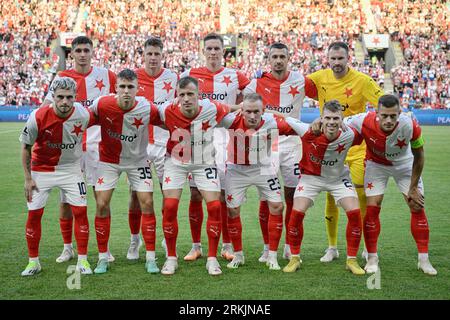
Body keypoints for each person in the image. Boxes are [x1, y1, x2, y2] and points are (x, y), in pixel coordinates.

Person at [307, 41, 384, 263]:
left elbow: (384, 103)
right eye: (333, 59)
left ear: (348, 58)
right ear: (327, 59)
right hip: (332, 150)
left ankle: (362, 247)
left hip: (358, 148)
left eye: (341, 58)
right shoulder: (319, 78)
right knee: (332, 196)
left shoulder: (363, 81)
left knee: (360, 196)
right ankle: (332, 247)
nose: (337, 63)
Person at [42, 36, 117, 264]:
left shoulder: (107, 76)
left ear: (92, 52)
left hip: (98, 147)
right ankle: (68, 248)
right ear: (71, 54)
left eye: (86, 49)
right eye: (78, 50)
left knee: (101, 200)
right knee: (66, 201)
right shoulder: (62, 77)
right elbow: (46, 107)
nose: (82, 54)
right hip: (70, 149)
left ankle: (104, 250)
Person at [344, 94, 437, 275]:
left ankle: (424, 260)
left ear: (399, 113)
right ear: (376, 112)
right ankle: (372, 258)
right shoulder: (362, 120)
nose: (388, 120)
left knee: (416, 205)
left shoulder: (410, 124)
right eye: (384, 115)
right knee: (372, 206)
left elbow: (419, 156)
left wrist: (413, 187)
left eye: (393, 116)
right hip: (376, 166)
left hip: (405, 165)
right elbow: (337, 123)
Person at [156, 76, 241, 276]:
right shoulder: (167, 110)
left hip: (204, 162)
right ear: (176, 96)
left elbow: (233, 108)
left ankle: (211, 259)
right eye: (182, 94)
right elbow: (146, 115)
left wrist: (245, 106)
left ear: (198, 95)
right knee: (169, 206)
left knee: (213, 205)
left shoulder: (212, 108)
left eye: (190, 94)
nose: (186, 98)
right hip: (176, 162)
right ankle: (171, 258)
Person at [244, 42, 317, 262]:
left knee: (293, 195)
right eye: (274, 56)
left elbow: (326, 92)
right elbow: (242, 105)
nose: (278, 60)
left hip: (293, 144)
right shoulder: (256, 82)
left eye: (282, 56)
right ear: (268, 58)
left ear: (288, 58)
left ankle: (290, 245)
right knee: (267, 198)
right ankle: (268, 247)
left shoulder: (301, 81)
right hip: (267, 144)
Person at [180, 33, 250, 262]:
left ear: (223, 51)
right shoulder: (190, 75)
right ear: (203, 51)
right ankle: (196, 245)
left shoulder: (236, 76)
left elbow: (249, 103)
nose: (212, 52)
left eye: (216, 48)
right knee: (195, 193)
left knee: (222, 194)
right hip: (197, 138)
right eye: (208, 48)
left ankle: (227, 244)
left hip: (225, 139)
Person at [89, 69, 163, 274]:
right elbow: (84, 118)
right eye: (122, 87)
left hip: (138, 161)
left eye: (131, 87)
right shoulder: (102, 104)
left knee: (147, 202)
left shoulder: (147, 108)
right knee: (102, 203)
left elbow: (169, 120)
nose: (126, 91)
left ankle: (150, 257)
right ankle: (103, 257)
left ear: (138, 89)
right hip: (108, 161)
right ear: (116, 88)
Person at [221, 93, 303, 270]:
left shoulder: (272, 122)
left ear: (263, 111)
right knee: (232, 210)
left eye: (256, 112)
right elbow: (209, 110)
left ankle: (271, 256)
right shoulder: (231, 120)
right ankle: (238, 255)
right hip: (236, 169)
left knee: (277, 206)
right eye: (248, 111)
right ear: (242, 111)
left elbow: (299, 128)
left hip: (263, 167)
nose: (252, 116)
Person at [20, 77, 93, 276]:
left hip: (71, 169)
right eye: (60, 97)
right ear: (52, 97)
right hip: (41, 170)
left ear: (75, 98)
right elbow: (26, 148)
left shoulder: (83, 114)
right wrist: (28, 178)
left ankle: (83, 261)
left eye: (69, 97)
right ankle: (33, 262)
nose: (64, 102)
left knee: (81, 212)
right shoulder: (37, 116)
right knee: (34, 214)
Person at [282, 100, 365, 274]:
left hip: (337, 178)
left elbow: (371, 119)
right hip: (310, 178)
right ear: (321, 118)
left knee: (355, 213)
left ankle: (351, 260)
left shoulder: (349, 134)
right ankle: (295, 258)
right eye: (328, 118)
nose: (332, 122)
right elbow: (283, 117)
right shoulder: (306, 130)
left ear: (342, 119)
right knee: (297, 212)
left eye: (336, 118)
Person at [125, 37, 178, 260]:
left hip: (166, 146)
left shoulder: (173, 78)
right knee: (136, 196)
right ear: (143, 55)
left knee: (169, 196)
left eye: (157, 54)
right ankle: (134, 240)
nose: (153, 58)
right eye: (150, 54)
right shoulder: (132, 78)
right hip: (140, 147)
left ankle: (167, 239)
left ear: (162, 55)